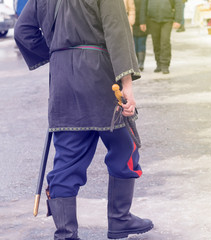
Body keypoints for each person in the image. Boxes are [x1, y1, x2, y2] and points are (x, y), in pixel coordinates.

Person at [14, 0, 153, 239]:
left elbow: (22, 31)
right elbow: (117, 32)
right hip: (101, 79)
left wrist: (60, 52)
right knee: (124, 146)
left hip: (62, 81)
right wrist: (127, 86)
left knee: (67, 161)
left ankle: (65, 233)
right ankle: (120, 219)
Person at [140, 0, 183, 74]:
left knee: (165, 42)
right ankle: (158, 64)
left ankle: (165, 65)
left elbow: (178, 3)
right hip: (152, 19)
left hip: (167, 19)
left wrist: (178, 20)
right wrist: (142, 21)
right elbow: (143, 5)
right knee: (155, 42)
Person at [133, 0, 148, 71]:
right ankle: (136, 63)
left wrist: (144, 22)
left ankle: (141, 63)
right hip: (132, 23)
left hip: (143, 23)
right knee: (134, 45)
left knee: (141, 44)